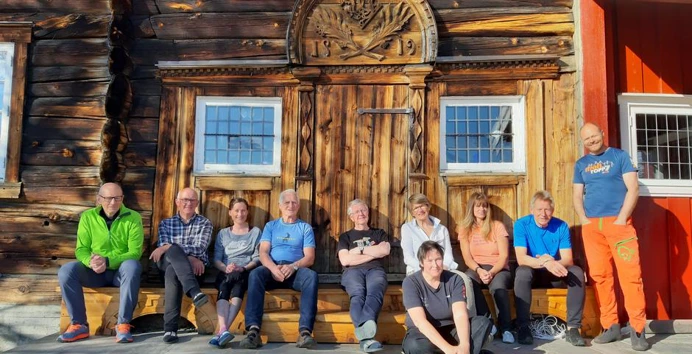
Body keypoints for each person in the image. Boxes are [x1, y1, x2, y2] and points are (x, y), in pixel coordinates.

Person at [573, 123, 649, 351]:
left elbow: (633, 188)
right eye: (586, 139)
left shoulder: (619, 156)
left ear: (602, 134)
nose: (591, 141)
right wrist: (585, 220)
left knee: (631, 277)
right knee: (600, 277)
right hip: (592, 228)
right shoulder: (581, 164)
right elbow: (577, 195)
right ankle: (610, 326)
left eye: (594, 136)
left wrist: (622, 217)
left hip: (619, 224)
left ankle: (637, 329)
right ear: (583, 142)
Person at [57, 182, 143, 343]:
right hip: (95, 273)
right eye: (109, 198)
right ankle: (79, 325)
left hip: (120, 274)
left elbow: (135, 252)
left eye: (118, 198)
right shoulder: (88, 217)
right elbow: (81, 249)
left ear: (123, 198)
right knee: (66, 270)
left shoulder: (133, 217)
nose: (113, 202)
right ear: (98, 199)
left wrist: (108, 260)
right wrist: (91, 262)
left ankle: (123, 324)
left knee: (132, 265)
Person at [239, 189, 319, 349]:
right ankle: (253, 331)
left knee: (312, 276)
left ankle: (305, 333)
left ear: (298, 205)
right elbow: (263, 252)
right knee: (255, 274)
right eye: (287, 202)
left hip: (295, 270)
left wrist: (293, 266)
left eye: (294, 202)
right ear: (280, 206)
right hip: (272, 268)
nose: (291, 205)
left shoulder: (305, 228)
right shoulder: (271, 226)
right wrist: (273, 268)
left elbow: (310, 257)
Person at [513, 190, 585, 347]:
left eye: (547, 210)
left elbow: (567, 258)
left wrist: (552, 263)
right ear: (532, 210)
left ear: (552, 211)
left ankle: (573, 328)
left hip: (554, 273)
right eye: (539, 209)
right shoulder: (521, 224)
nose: (543, 214)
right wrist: (545, 262)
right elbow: (521, 258)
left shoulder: (561, 226)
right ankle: (523, 326)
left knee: (577, 272)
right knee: (522, 272)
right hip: (533, 272)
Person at [402, 241, 493, 354]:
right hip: (423, 333)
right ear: (421, 263)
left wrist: (465, 344)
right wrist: (447, 349)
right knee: (415, 345)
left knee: (482, 323)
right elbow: (420, 322)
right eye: (429, 261)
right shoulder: (411, 282)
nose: (435, 265)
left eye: (438, 259)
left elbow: (460, 314)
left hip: (450, 328)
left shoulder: (455, 279)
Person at [149, 187, 212, 343]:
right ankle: (194, 291)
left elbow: (200, 247)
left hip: (195, 271)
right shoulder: (166, 223)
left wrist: (169, 247)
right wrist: (186, 255)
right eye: (185, 200)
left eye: (192, 200)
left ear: (197, 202)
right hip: (168, 264)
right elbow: (164, 248)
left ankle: (170, 330)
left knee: (173, 271)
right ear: (177, 202)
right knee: (171, 257)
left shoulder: (205, 223)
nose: (188, 203)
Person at [458, 192, 514, 344]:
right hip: (476, 268)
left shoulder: (497, 226)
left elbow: (503, 257)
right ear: (472, 208)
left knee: (498, 288)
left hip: (499, 268)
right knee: (467, 281)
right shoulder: (465, 229)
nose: (482, 209)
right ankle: (488, 321)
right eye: (478, 206)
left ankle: (506, 329)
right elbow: (467, 258)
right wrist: (479, 270)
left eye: (484, 206)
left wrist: (491, 272)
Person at [338, 199, 391, 353]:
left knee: (375, 291)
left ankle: (365, 339)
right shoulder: (345, 237)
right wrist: (373, 252)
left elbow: (385, 251)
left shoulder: (379, 233)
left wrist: (359, 251)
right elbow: (345, 260)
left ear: (368, 213)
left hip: (375, 270)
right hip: (351, 271)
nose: (361, 214)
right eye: (357, 211)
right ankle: (367, 338)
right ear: (352, 217)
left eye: (364, 210)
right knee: (358, 294)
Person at [208, 197, 261, 348]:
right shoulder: (223, 233)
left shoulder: (255, 232)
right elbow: (217, 259)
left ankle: (222, 331)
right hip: (226, 271)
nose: (240, 214)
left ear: (247, 212)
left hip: (245, 271)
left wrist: (243, 268)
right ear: (230, 212)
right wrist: (226, 268)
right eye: (236, 210)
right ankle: (224, 330)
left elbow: (257, 258)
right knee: (224, 286)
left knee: (238, 284)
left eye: (243, 210)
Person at [402, 194, 458, 275]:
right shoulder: (407, 228)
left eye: (422, 206)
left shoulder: (442, 229)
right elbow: (408, 257)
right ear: (412, 213)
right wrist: (426, 269)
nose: (420, 210)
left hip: (440, 270)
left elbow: (448, 256)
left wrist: (442, 268)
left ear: (428, 207)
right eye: (416, 208)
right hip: (417, 271)